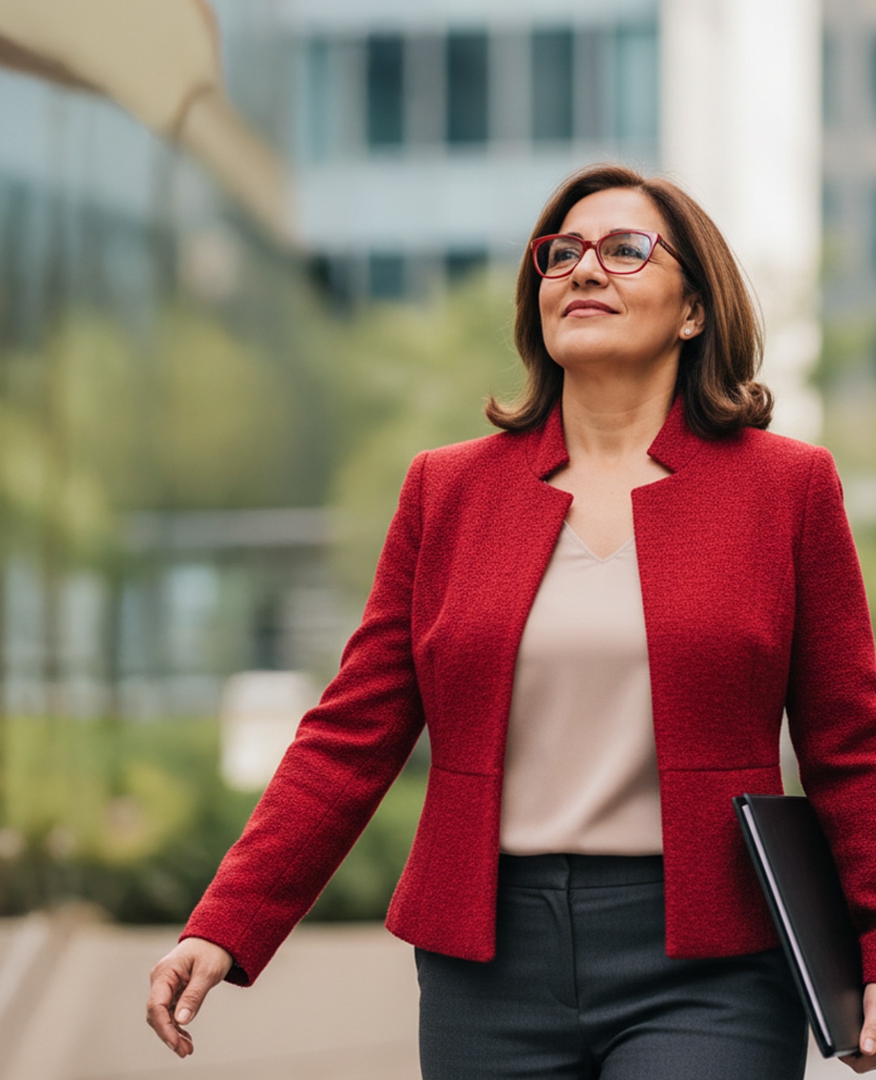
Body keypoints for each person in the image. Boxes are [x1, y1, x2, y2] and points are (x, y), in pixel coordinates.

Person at [146, 163, 876, 1078]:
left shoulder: (785, 489)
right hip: (489, 965)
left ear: (694, 309)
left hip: (712, 960)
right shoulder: (447, 490)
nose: (582, 270)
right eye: (560, 254)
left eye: (624, 250)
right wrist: (224, 924)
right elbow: (350, 734)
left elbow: (851, 744)